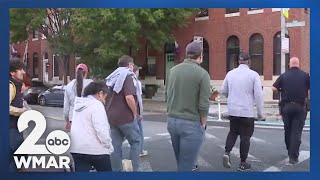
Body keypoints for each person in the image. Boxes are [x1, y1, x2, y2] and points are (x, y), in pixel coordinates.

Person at [165, 41, 211, 171]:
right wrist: (203, 122)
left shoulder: (173, 71)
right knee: (186, 165)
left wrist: (169, 111)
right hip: (191, 123)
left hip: (172, 120)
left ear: (187, 54)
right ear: (200, 55)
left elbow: (167, 94)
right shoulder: (203, 74)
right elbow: (204, 103)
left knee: (181, 161)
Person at [220, 51, 264, 171]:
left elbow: (223, 90)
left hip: (233, 110)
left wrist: (232, 96)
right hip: (247, 111)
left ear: (238, 61)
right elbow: (259, 95)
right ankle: (243, 163)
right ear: (249, 61)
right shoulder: (254, 75)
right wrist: (260, 113)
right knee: (245, 137)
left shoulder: (230, 74)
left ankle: (227, 152)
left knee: (233, 132)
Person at [105, 55, 141, 171]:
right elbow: (129, 97)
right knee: (136, 141)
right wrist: (134, 113)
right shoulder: (128, 76)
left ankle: (116, 172)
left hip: (112, 117)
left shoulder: (112, 77)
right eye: (132, 65)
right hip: (125, 117)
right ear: (129, 65)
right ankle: (133, 171)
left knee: (115, 146)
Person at [272, 57, 310, 165]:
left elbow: (273, 88)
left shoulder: (284, 76)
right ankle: (293, 157)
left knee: (288, 130)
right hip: (300, 107)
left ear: (289, 64)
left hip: (286, 107)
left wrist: (281, 89)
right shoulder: (305, 75)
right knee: (296, 132)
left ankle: (289, 149)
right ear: (298, 64)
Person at [69, 81, 113, 172]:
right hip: (96, 150)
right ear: (100, 94)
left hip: (77, 149)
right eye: (105, 97)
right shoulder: (97, 105)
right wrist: (108, 145)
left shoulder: (78, 106)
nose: (105, 100)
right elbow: (101, 130)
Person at [9, 58, 27, 172]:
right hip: (10, 128)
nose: (23, 72)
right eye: (20, 69)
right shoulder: (10, 86)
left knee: (20, 158)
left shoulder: (17, 86)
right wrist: (22, 111)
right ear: (12, 73)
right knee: (13, 161)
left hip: (15, 128)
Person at [64, 63, 93, 131]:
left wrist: (67, 120)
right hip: (87, 118)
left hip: (73, 117)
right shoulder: (91, 84)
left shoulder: (69, 86)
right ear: (86, 73)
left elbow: (66, 107)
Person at [133, 65, 148, 157]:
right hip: (136, 111)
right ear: (135, 72)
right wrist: (140, 113)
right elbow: (138, 99)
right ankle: (140, 150)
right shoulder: (137, 83)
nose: (139, 72)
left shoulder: (127, 82)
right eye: (138, 71)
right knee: (140, 132)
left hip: (129, 112)